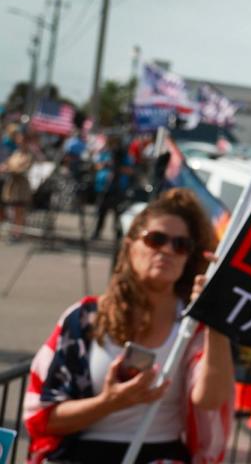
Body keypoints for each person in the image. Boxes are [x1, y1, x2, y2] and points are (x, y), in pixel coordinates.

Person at [24, 188, 234, 463]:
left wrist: (215, 322)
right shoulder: (84, 319)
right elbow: (44, 418)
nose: (168, 251)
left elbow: (210, 398)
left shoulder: (192, 328)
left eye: (181, 245)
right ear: (130, 244)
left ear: (188, 258)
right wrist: (111, 402)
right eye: (156, 240)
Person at [91, 135, 134, 241]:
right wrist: (105, 165)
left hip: (118, 188)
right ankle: (97, 232)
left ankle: (118, 235)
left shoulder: (125, 156)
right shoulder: (105, 154)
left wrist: (118, 168)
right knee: (101, 212)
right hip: (104, 187)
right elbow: (96, 166)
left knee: (118, 213)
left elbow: (130, 170)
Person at [0, 130, 35, 241]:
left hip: (21, 185)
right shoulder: (16, 152)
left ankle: (17, 233)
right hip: (12, 184)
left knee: (19, 210)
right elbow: (8, 163)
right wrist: (4, 167)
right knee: (11, 209)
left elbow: (24, 168)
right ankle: (14, 230)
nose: (19, 142)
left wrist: (9, 169)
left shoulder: (28, 154)